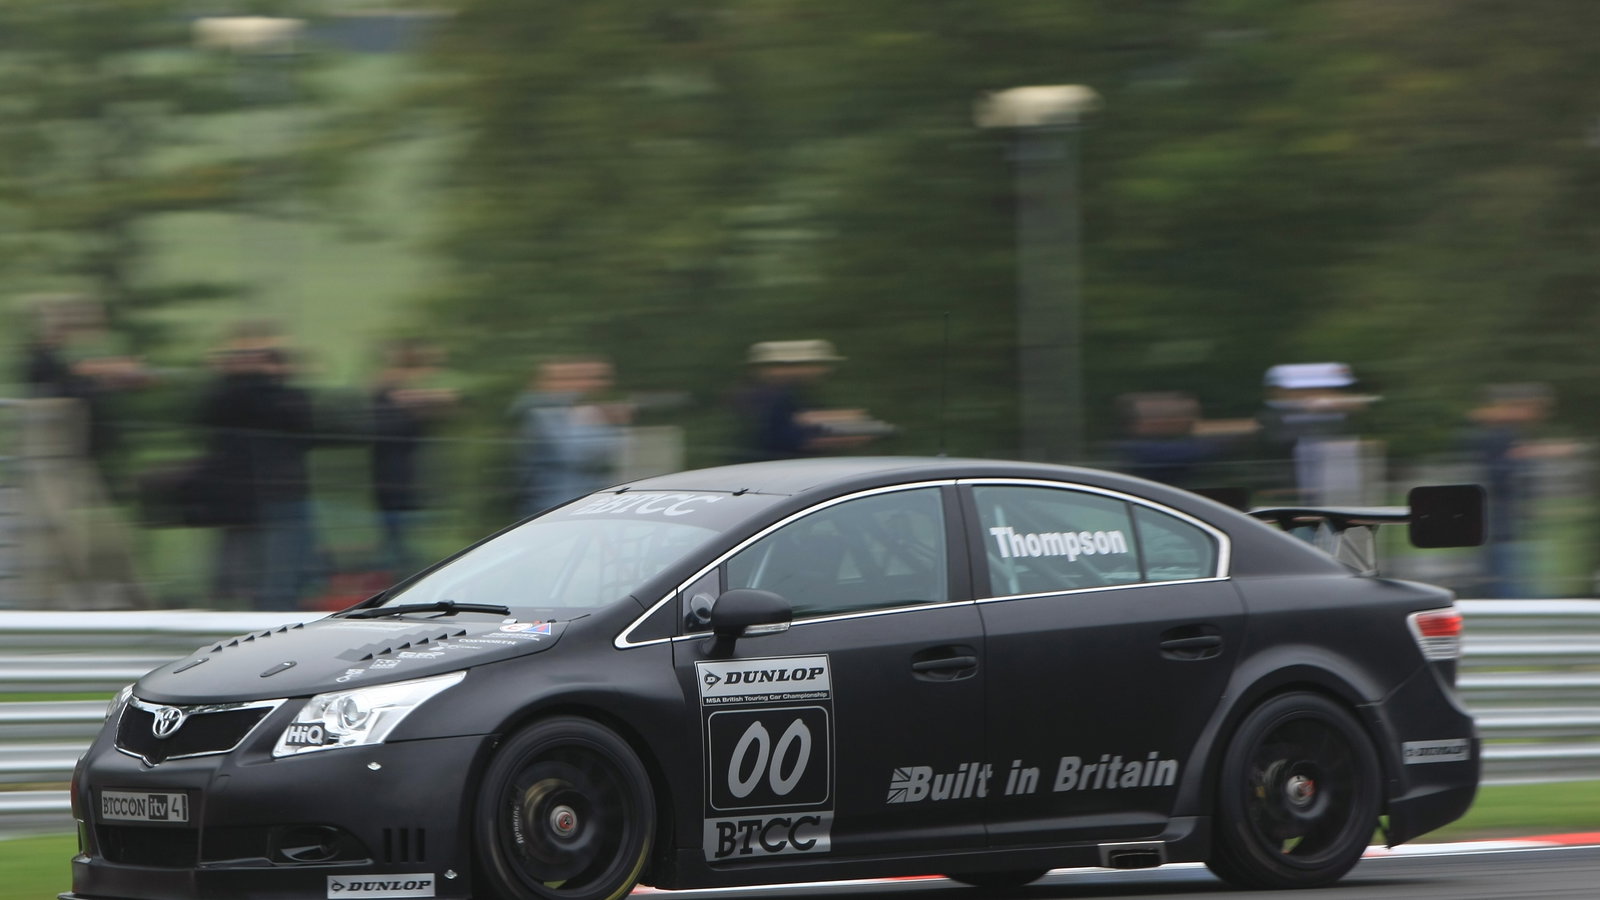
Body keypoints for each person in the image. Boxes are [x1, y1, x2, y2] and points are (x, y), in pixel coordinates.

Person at [193, 325, 317, 610]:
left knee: (274, 571)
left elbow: (302, 431)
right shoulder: (238, 395)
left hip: (270, 494)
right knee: (268, 573)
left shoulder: (280, 397)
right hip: (259, 495)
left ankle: (264, 609)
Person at [370, 339, 458, 578]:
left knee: (404, 554)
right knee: (402, 558)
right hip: (396, 487)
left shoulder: (401, 399)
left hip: (405, 487)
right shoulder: (387, 399)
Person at [1465, 383, 1558, 598]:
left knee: (1510, 574)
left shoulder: (1509, 434)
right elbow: (1495, 474)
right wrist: (1521, 457)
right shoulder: (1497, 435)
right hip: (1498, 523)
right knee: (1505, 580)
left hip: (1508, 522)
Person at [510, 356, 632, 517]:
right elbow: (574, 453)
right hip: (554, 506)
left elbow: (610, 451)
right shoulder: (542, 413)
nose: (592, 384)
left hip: (582, 503)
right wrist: (602, 422)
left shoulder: (572, 410)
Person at [733, 340, 888, 462]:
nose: (823, 370)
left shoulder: (791, 395)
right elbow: (786, 438)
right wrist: (839, 436)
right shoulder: (773, 398)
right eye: (815, 364)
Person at [1257, 362, 1378, 505]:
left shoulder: (1338, 412)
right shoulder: (1277, 416)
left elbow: (1359, 407)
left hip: (1334, 468)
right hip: (1300, 472)